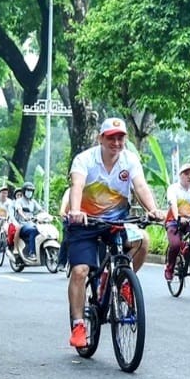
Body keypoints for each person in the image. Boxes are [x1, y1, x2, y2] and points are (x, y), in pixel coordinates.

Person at [65, 117, 164, 349]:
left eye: (120, 138)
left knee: (142, 241)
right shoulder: (85, 160)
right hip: (86, 223)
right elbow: (77, 186)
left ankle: (123, 281)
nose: (116, 142)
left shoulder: (130, 160)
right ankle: (79, 324)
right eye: (111, 138)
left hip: (117, 222)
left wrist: (153, 210)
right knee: (80, 271)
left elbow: (140, 186)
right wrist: (77, 211)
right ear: (101, 138)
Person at [59, 186, 150, 272]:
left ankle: (124, 277)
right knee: (80, 268)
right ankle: (62, 262)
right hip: (91, 225)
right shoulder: (79, 186)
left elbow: (140, 188)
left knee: (143, 239)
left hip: (119, 224)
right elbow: (67, 208)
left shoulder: (127, 176)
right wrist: (73, 212)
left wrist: (151, 211)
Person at [12, 181, 42, 261]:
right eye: (28, 190)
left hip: (32, 223)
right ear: (24, 191)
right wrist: (24, 217)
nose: (30, 192)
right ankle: (31, 253)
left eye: (31, 191)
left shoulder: (33, 202)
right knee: (33, 230)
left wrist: (47, 215)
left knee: (41, 230)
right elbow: (19, 210)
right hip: (22, 224)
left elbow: (41, 210)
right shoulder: (19, 201)